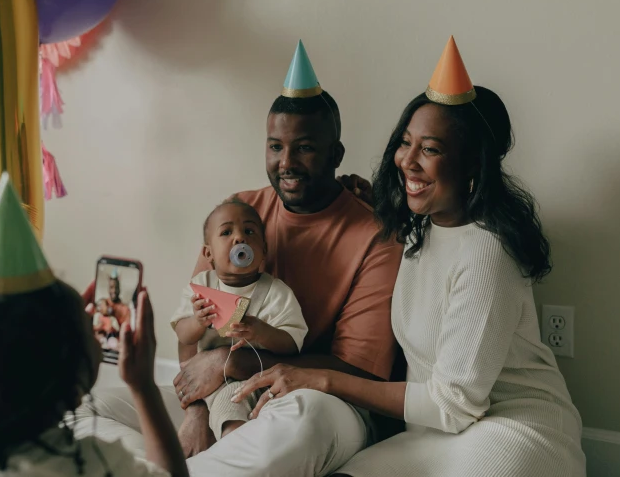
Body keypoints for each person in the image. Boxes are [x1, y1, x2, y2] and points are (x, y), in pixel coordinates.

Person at [231, 37, 586, 476]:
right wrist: (369, 198)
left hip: (510, 429)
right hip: (430, 434)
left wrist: (319, 377)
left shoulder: (488, 251)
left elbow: (454, 403)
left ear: (472, 164)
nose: (408, 161)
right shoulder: (418, 229)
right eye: (405, 142)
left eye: (431, 149)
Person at [76, 40, 404, 476]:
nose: (286, 162)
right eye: (275, 147)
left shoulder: (375, 236)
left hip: (319, 401)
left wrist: (233, 362)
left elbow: (358, 370)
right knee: (89, 408)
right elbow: (194, 333)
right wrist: (194, 412)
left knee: (304, 422)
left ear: (335, 155)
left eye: (304, 147)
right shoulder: (238, 213)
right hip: (217, 394)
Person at [0, 173, 188, 477]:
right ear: (75, 379)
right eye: (86, 332)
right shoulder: (95, 464)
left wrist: (62, 327)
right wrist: (143, 386)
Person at [171, 198, 308, 441]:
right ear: (208, 253)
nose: (239, 239)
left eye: (249, 231)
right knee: (213, 407)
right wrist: (197, 322)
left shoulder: (277, 292)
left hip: (250, 380)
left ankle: (231, 450)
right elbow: (183, 335)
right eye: (226, 232)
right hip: (206, 380)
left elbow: (293, 344)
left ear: (264, 249)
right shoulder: (202, 285)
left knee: (232, 407)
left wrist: (262, 332)